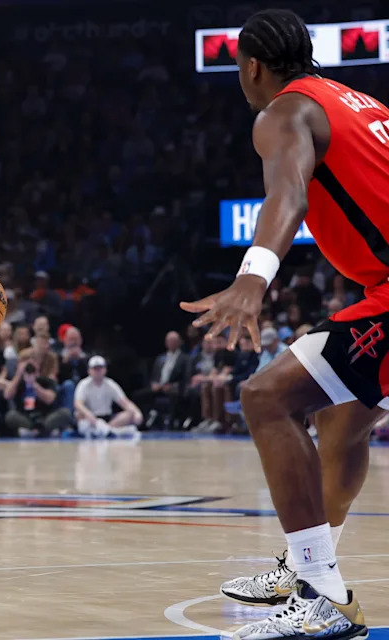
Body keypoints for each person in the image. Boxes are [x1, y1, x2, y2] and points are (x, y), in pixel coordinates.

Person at [180, 9, 384, 638]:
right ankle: (307, 570)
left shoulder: (285, 112)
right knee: (343, 416)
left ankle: (320, 589)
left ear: (251, 68)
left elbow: (287, 195)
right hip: (381, 288)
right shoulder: (361, 103)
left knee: (264, 397)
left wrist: (252, 278)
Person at [73, 356, 142, 438]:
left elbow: (125, 402)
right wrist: (88, 414)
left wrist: (137, 412)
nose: (98, 371)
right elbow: (78, 404)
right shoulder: (83, 384)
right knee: (79, 415)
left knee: (130, 413)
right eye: (95, 368)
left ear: (105, 369)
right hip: (91, 418)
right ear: (89, 370)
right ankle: (108, 430)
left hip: (108, 418)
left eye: (100, 368)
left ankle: (107, 429)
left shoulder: (110, 384)